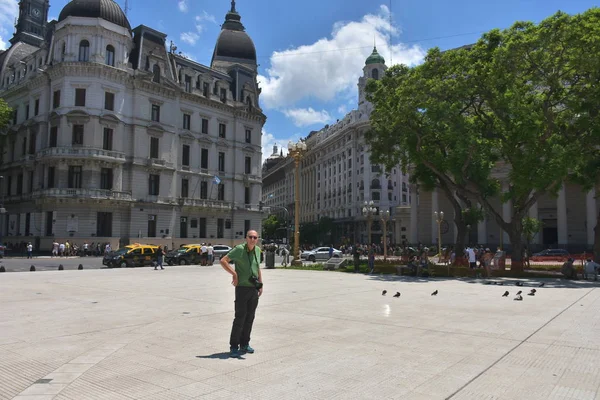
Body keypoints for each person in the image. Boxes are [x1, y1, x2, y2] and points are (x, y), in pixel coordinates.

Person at [220, 230, 263, 358]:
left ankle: (245, 344)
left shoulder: (257, 250)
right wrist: (234, 274)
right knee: (240, 317)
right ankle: (234, 346)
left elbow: (257, 268)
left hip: (253, 289)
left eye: (255, 237)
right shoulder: (239, 249)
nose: (252, 239)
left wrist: (261, 284)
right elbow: (223, 261)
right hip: (242, 288)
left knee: (250, 317)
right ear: (246, 238)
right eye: (250, 237)